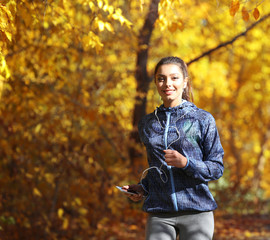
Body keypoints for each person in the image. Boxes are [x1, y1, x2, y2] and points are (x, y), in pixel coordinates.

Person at [122, 56, 224, 240]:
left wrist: (186, 163)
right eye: (161, 78)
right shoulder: (147, 123)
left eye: (174, 78)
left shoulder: (202, 119)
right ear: (156, 82)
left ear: (185, 82)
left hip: (197, 211)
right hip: (159, 213)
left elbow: (216, 168)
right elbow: (156, 169)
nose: (167, 83)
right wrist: (143, 189)